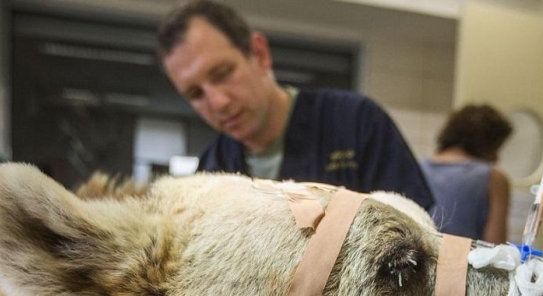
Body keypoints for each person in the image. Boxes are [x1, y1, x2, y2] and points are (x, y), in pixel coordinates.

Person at [156, 0, 434, 210]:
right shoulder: (212, 166)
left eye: (222, 74)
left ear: (259, 54)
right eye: (195, 93)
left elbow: (415, 232)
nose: (218, 102)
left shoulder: (356, 123)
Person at [420, 104, 513, 243]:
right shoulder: (494, 179)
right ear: (487, 143)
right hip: (462, 263)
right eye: (497, 147)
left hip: (414, 261)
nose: (496, 157)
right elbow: (496, 248)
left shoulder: (417, 167)